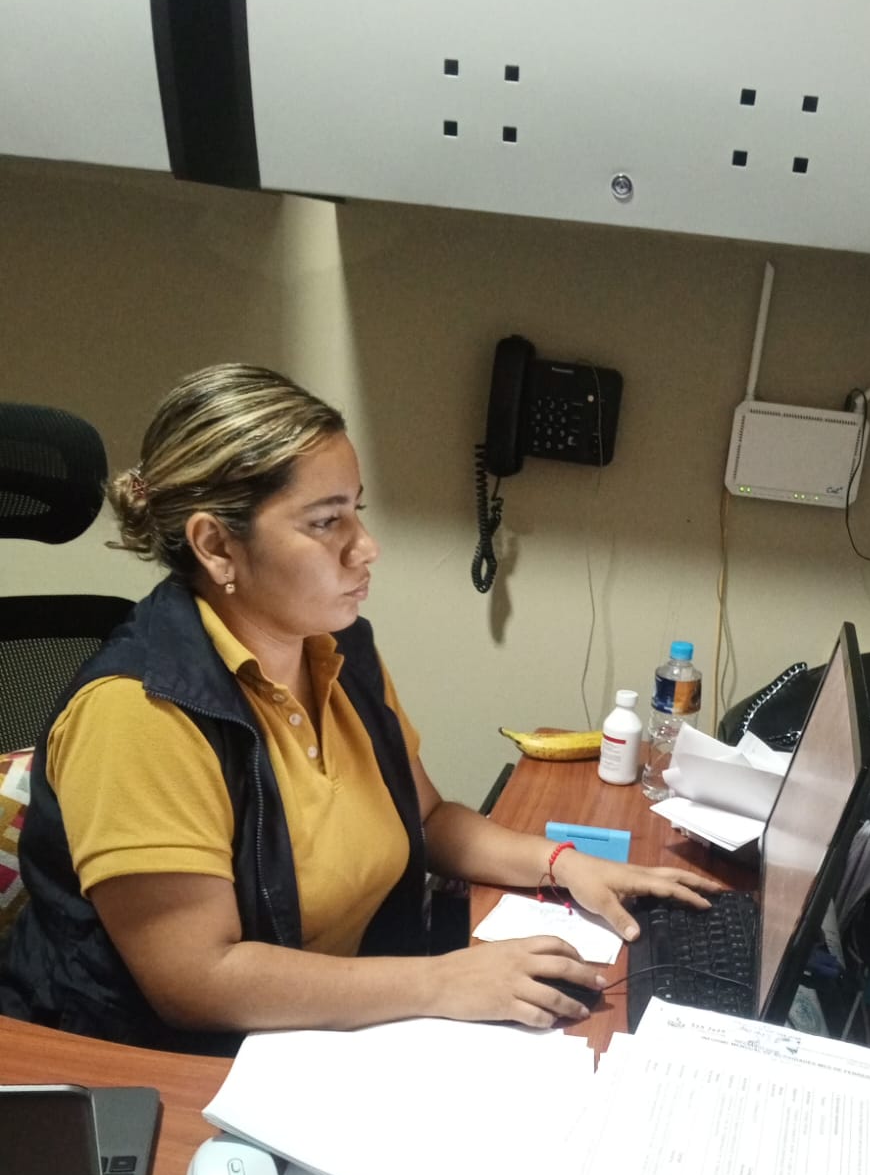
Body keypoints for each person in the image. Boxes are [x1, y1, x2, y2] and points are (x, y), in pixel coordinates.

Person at [0, 363, 719, 1054]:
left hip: (321, 1029)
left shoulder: (333, 648)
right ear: (216, 545)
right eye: (326, 522)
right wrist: (442, 982)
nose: (366, 548)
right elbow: (198, 981)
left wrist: (563, 865)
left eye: (357, 512)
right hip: (149, 1070)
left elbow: (425, 819)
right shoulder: (140, 713)